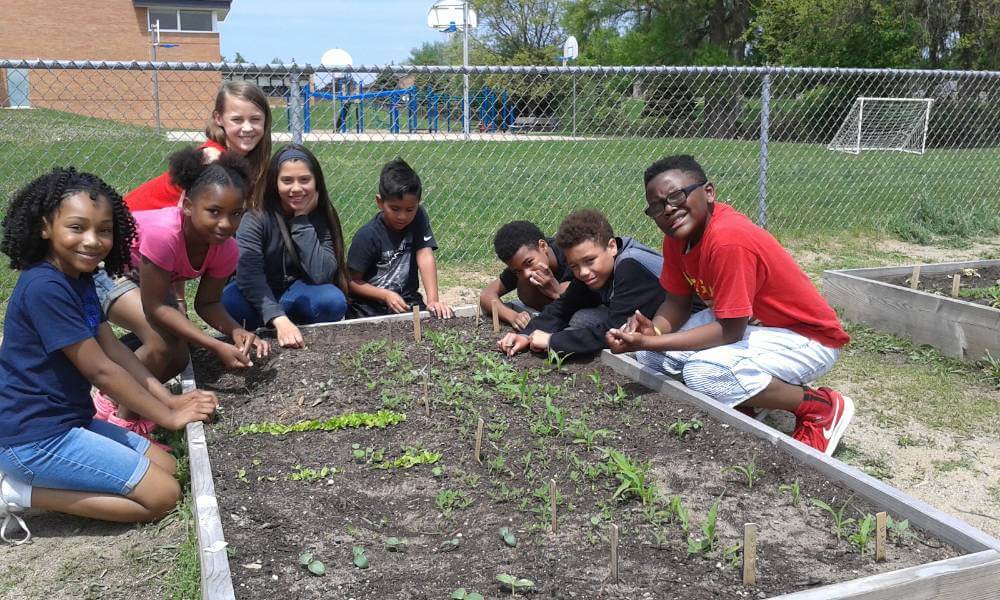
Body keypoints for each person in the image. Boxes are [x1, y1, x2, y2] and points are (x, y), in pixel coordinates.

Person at [0, 168, 219, 544]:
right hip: (33, 440)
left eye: (103, 230)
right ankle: (16, 493)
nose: (92, 241)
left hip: (69, 423)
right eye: (77, 227)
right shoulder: (44, 287)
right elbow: (100, 370)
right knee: (164, 497)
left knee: (168, 466)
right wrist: (167, 415)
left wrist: (168, 398)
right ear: (44, 228)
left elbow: (114, 348)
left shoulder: (78, 277)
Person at [605, 155, 853, 456]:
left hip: (807, 337)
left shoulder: (728, 239)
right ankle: (748, 395)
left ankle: (819, 407)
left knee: (703, 372)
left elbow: (729, 331)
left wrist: (653, 340)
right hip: (756, 326)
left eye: (676, 196)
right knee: (648, 354)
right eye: (657, 207)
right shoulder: (676, 238)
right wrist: (653, 333)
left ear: (709, 192)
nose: (669, 209)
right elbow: (678, 302)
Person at [92, 147, 268, 439]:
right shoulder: (165, 234)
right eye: (214, 211)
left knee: (178, 354)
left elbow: (208, 303)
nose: (225, 223)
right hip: (106, 270)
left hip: (149, 280)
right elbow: (155, 307)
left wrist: (235, 331)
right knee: (162, 342)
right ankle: (124, 422)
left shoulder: (226, 247)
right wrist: (215, 345)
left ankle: (111, 394)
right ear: (187, 205)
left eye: (236, 213)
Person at [124, 81, 273, 311]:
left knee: (173, 337)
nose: (247, 127)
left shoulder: (242, 162)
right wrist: (179, 299)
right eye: (237, 119)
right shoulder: (212, 160)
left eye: (255, 119)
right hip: (129, 240)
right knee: (167, 328)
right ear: (218, 118)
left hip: (154, 245)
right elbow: (180, 226)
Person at [222, 144, 350, 348]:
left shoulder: (321, 214)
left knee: (332, 301)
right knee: (229, 301)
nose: (297, 188)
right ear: (275, 183)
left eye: (305, 180)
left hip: (296, 289)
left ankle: (287, 323)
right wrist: (278, 318)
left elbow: (322, 274)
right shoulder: (255, 216)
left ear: (316, 181)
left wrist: (301, 220)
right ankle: (276, 323)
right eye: (287, 181)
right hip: (259, 291)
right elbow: (248, 275)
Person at [498, 209, 666, 357]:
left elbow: (617, 329)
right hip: (635, 319)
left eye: (590, 260)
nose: (583, 272)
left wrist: (553, 341)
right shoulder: (591, 270)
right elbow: (563, 306)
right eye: (574, 266)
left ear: (612, 246)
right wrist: (526, 335)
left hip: (684, 324)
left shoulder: (631, 266)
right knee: (581, 318)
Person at [346, 158, 454, 319]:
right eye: (395, 209)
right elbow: (351, 282)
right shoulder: (367, 236)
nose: (402, 216)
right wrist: (385, 295)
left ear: (418, 204)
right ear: (380, 202)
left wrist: (433, 301)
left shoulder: (419, 217)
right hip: (369, 310)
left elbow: (425, 254)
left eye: (410, 209)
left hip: (407, 304)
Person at [479, 220, 573, 331]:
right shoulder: (521, 266)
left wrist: (555, 291)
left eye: (529, 262)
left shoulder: (571, 256)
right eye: (517, 270)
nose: (527, 273)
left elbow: (581, 302)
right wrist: (512, 316)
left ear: (543, 246)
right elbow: (486, 295)